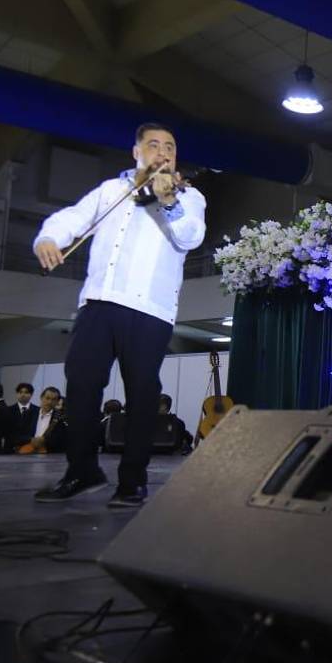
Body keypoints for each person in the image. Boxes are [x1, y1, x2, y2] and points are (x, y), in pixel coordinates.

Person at [31, 122, 206, 507]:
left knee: (142, 394)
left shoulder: (187, 196)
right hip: (98, 301)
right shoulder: (112, 190)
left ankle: (132, 480)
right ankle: (81, 471)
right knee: (80, 386)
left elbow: (191, 236)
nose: (163, 152)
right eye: (154, 145)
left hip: (149, 308)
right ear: (136, 152)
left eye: (170, 147)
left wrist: (169, 202)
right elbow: (72, 219)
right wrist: (47, 238)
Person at [18, 387, 66, 455]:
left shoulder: (61, 418)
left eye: (53, 399)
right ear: (41, 398)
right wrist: (31, 440)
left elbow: (62, 440)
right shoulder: (28, 414)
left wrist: (44, 442)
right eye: (47, 398)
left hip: (50, 456)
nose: (49, 402)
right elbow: (18, 435)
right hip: (27, 453)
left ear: (57, 401)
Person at [10, 382, 38, 450]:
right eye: (20, 392)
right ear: (17, 394)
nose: (23, 395)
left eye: (26, 392)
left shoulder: (38, 410)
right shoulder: (9, 410)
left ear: (31, 395)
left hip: (31, 447)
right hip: (11, 446)